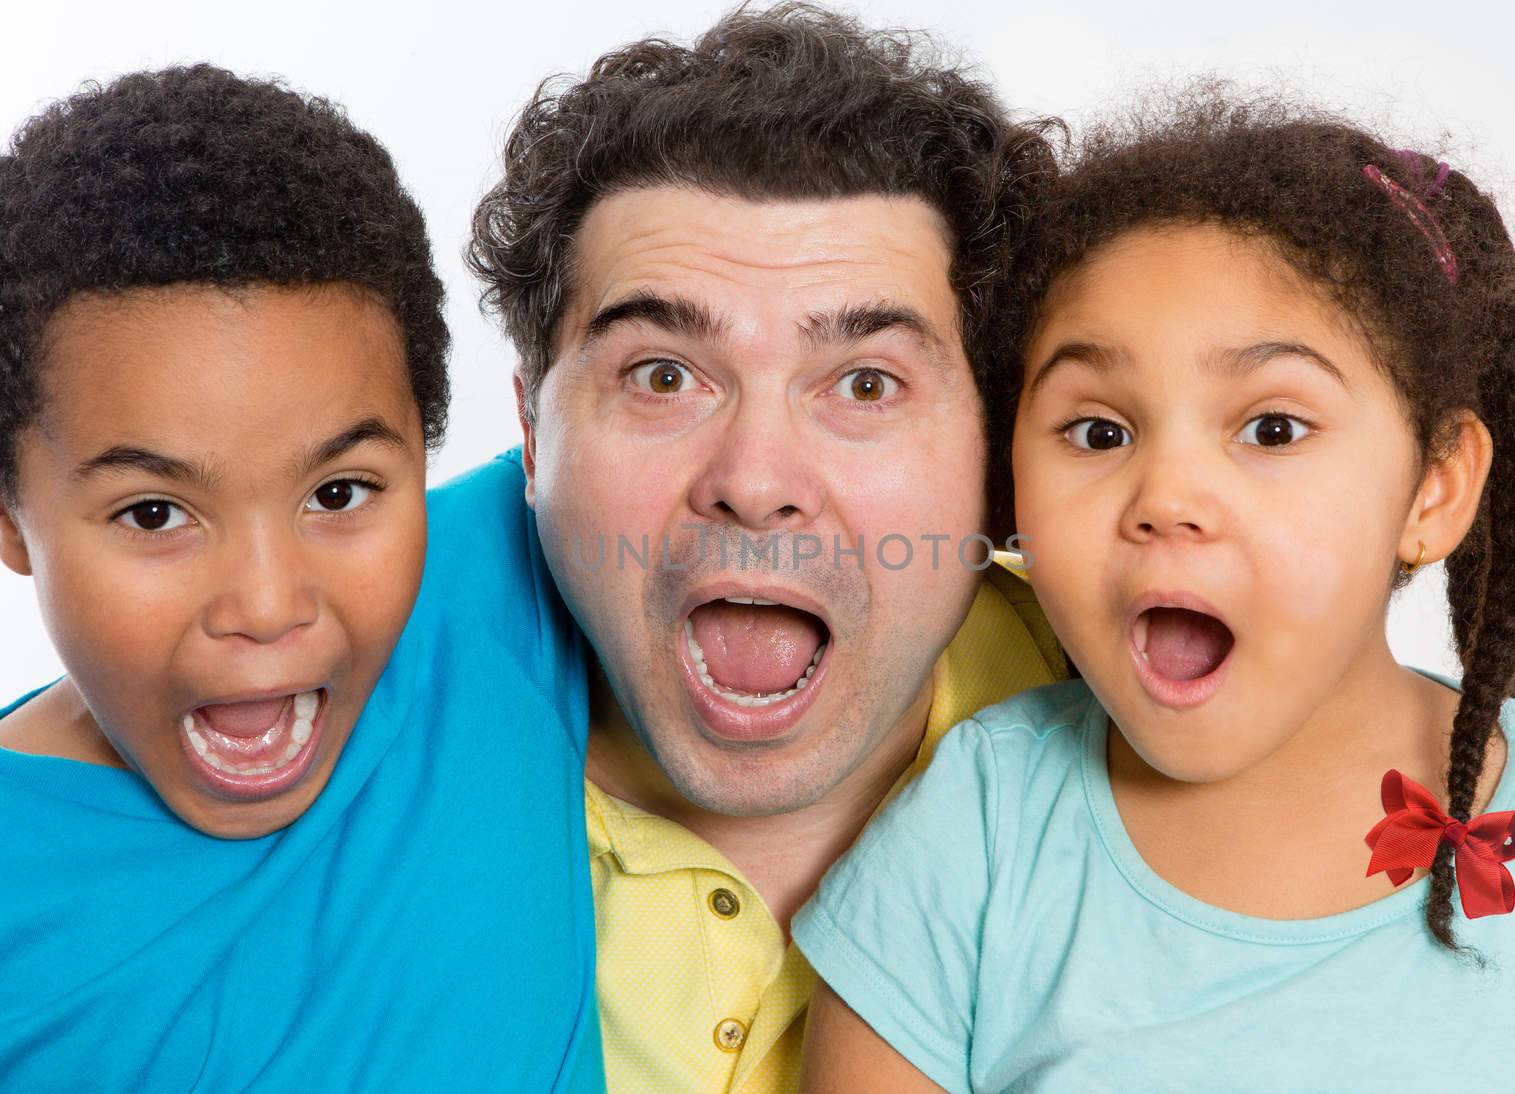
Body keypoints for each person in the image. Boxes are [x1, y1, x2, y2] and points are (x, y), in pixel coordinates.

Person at [795, 93, 1515, 1090]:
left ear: (1433, 487)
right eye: (1098, 431)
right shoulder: (977, 833)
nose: (1166, 498)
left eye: (1270, 429)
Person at [466, 4, 1065, 1088]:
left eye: (867, 383)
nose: (753, 480)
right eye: (661, 376)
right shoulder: (351, 771)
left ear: (999, 452)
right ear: (528, 434)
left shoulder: (1144, 709)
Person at [0, 66, 600, 1089]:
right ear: (12, 518)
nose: (269, 603)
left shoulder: (503, 588)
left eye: (339, 492)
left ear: (425, 452)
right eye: (155, 513)